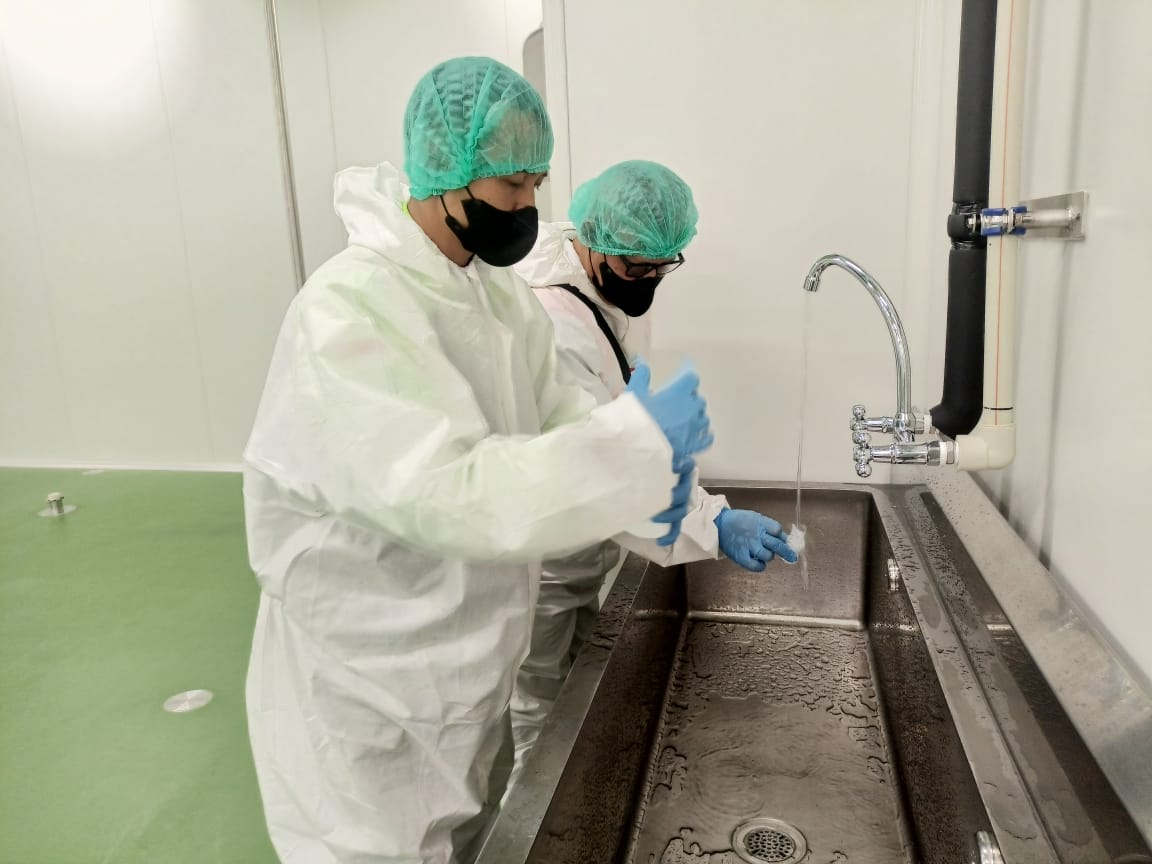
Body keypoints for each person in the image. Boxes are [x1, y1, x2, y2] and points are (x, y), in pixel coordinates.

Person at [241, 60, 713, 864]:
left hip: (462, 666)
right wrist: (629, 451)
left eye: (536, 183)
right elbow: (446, 491)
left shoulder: (494, 298)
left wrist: (668, 493)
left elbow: (559, 419)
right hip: (367, 686)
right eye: (511, 185)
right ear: (445, 174)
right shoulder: (350, 309)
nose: (530, 206)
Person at [508, 160, 797, 785]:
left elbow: (628, 437)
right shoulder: (554, 323)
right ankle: (528, 823)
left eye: (662, 267)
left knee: (566, 705)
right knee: (536, 716)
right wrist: (710, 524)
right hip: (544, 563)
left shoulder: (591, 287)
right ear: (596, 241)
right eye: (638, 268)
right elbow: (606, 469)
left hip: (581, 547)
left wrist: (708, 508)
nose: (648, 281)